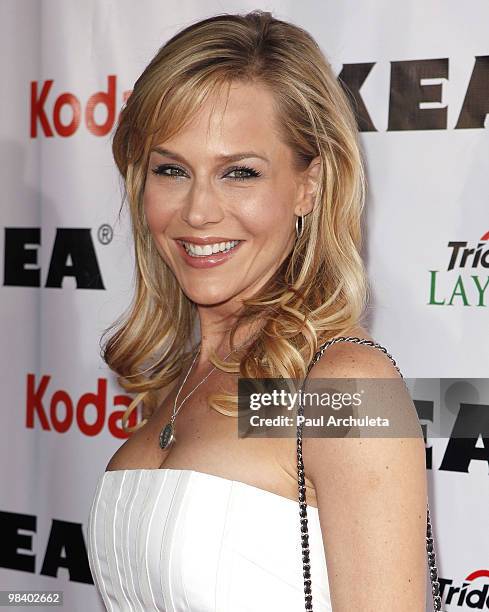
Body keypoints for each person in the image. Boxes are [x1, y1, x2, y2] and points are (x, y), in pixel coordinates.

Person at [87, 9, 428, 611]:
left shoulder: (343, 388)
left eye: (239, 173)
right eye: (172, 170)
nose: (197, 212)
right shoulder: (182, 379)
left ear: (310, 185)